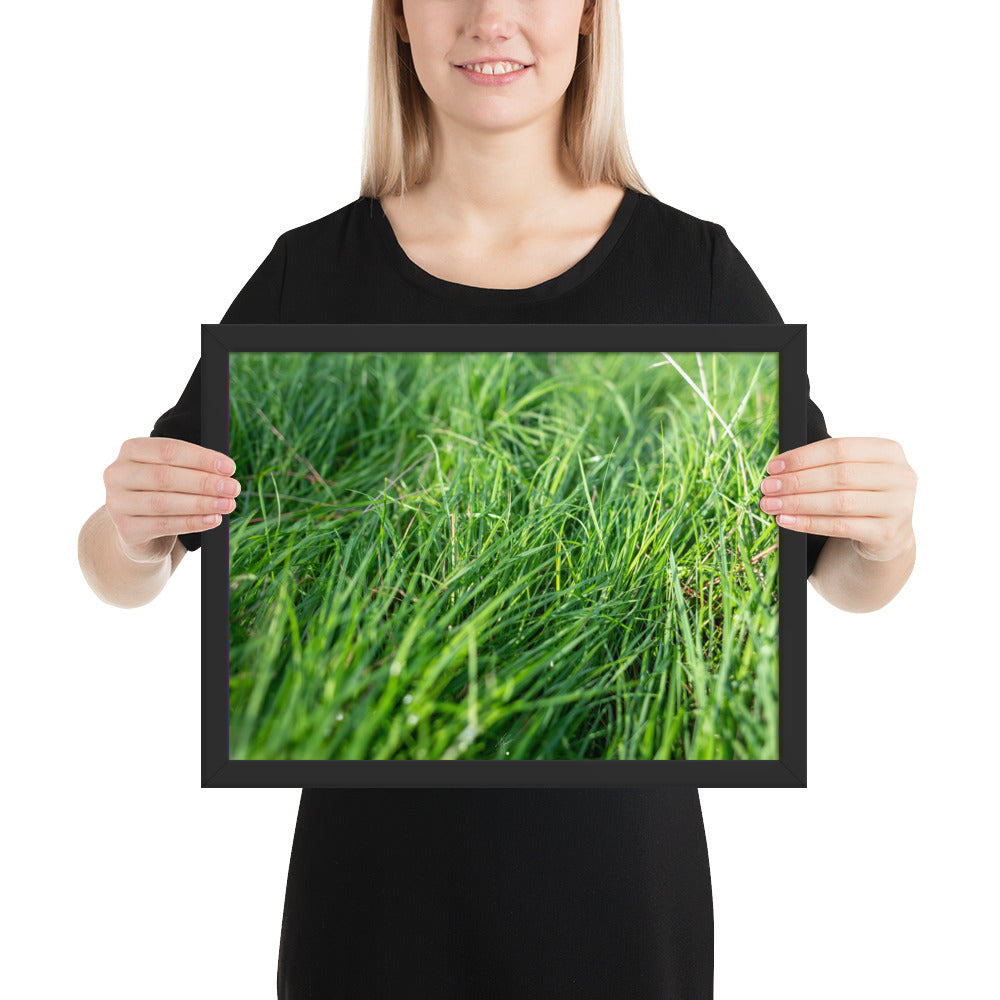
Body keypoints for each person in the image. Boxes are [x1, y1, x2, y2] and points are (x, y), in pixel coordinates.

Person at [78, 1, 918, 996]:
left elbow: (838, 575)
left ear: (590, 18)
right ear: (396, 19)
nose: (491, 19)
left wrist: (884, 533)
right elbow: (125, 566)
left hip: (618, 896)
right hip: (371, 897)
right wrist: (131, 532)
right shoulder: (313, 272)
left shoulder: (691, 270)